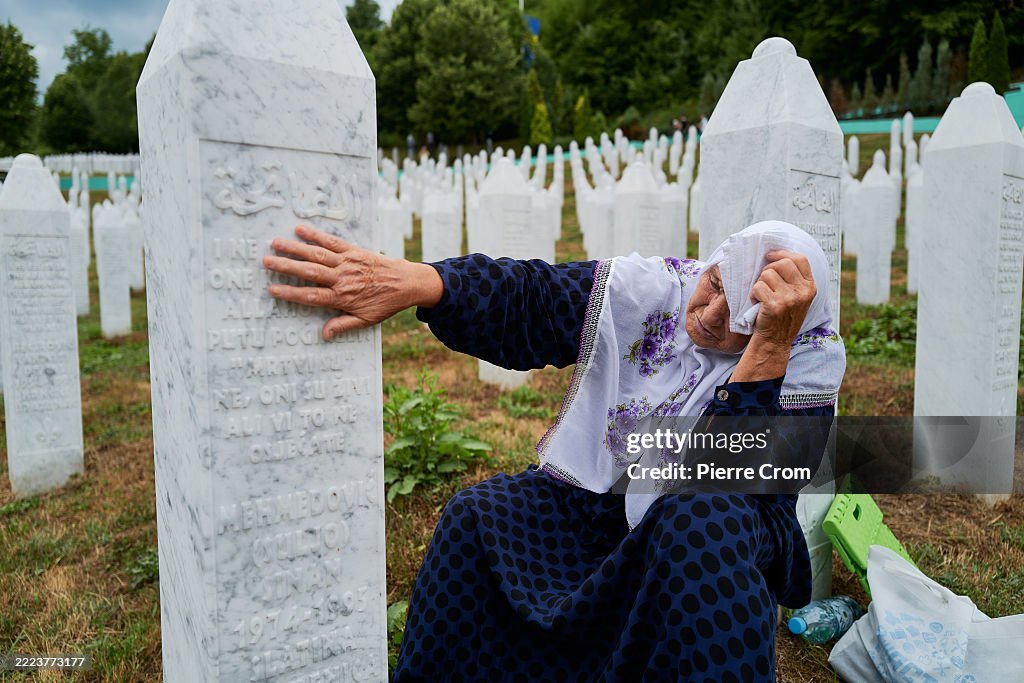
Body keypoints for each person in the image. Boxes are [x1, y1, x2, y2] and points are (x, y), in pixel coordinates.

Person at [262, 220, 845, 681]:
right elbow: (536, 299)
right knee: (479, 517)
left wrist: (766, 350)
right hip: (601, 506)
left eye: (740, 318)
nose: (710, 316)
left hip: (716, 528)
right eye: (714, 285)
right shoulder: (657, 290)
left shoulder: (806, 363)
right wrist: (422, 282)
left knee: (699, 517)